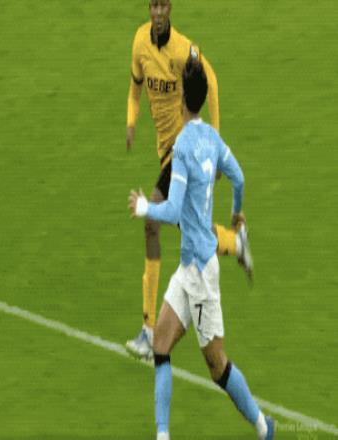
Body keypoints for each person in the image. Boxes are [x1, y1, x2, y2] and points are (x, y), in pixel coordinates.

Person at [128, 57, 274, 440]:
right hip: (189, 268)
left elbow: (173, 210)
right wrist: (237, 215)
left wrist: (144, 208)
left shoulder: (183, 146)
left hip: (202, 276)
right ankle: (162, 435)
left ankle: (263, 426)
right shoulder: (212, 138)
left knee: (217, 366)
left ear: (180, 98)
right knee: (161, 345)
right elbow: (238, 177)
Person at [125, 0, 253, 360]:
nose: (158, 12)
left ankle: (149, 330)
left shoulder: (184, 50)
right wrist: (131, 122)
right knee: (191, 228)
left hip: (182, 150)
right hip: (166, 150)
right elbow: (135, 88)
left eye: (163, 5)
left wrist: (214, 135)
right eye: (153, 5)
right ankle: (235, 243)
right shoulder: (140, 42)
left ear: (170, 9)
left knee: (152, 221)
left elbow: (211, 79)